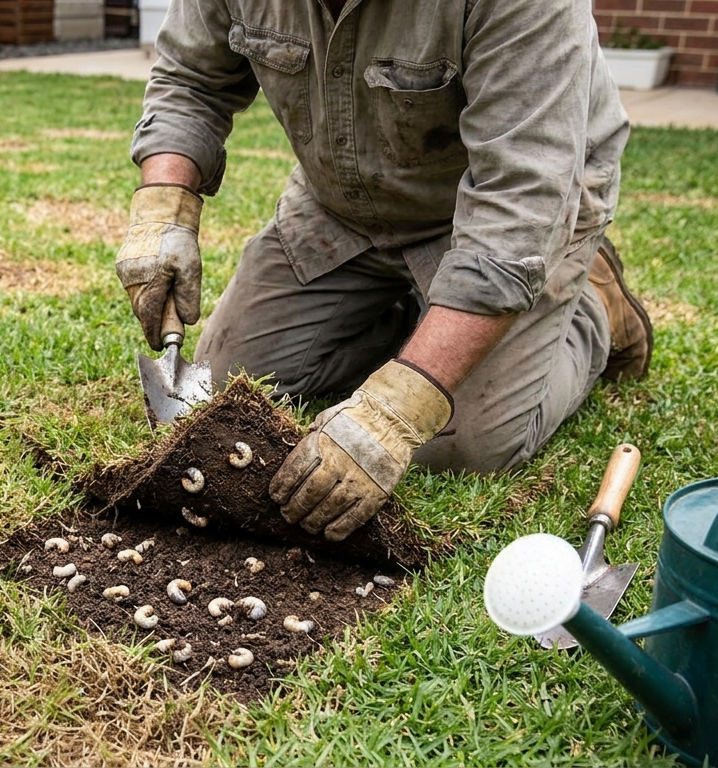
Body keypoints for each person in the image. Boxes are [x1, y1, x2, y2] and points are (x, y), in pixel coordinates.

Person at [114, 0, 653, 541]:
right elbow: (189, 81)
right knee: (234, 381)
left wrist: (396, 408)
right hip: (341, 201)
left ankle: (592, 311)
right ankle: (424, 318)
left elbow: (517, 209)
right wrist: (164, 206)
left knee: (459, 444)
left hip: (508, 208)